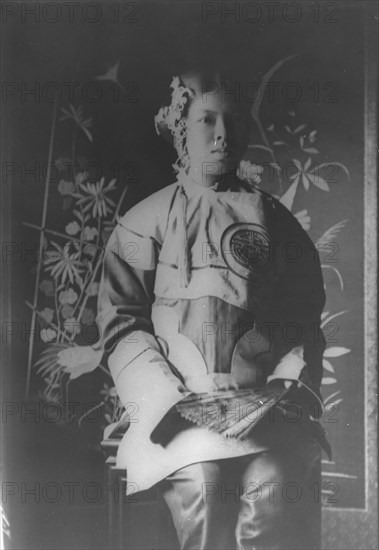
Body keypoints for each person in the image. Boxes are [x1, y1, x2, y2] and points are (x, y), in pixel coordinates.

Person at [96, 68, 328, 550]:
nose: (222, 134)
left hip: (261, 412)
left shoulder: (277, 223)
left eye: (232, 121)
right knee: (204, 488)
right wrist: (168, 398)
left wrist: (284, 386)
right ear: (182, 127)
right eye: (207, 120)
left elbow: (302, 318)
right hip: (176, 413)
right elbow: (122, 322)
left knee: (272, 490)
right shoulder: (144, 222)